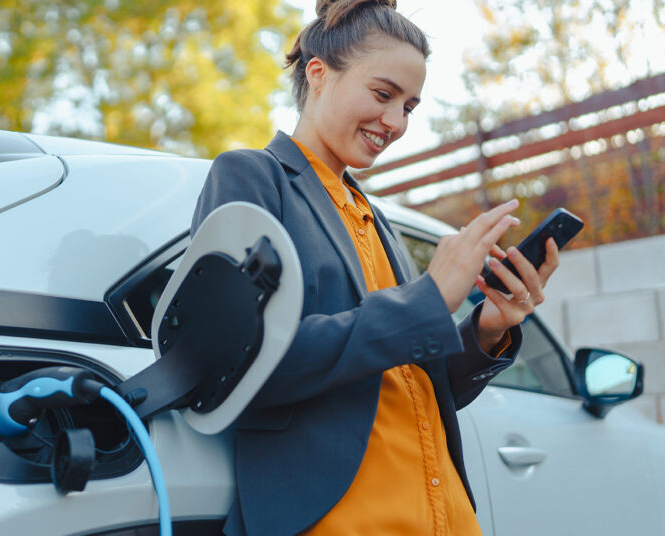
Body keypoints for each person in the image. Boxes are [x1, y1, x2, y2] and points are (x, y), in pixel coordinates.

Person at [190, 0, 560, 534]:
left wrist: (489, 328)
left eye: (409, 106)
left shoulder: (375, 218)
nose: (395, 122)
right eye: (383, 94)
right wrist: (430, 298)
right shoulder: (251, 178)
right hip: (342, 519)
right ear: (318, 74)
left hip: (445, 516)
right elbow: (242, 365)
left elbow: (412, 385)